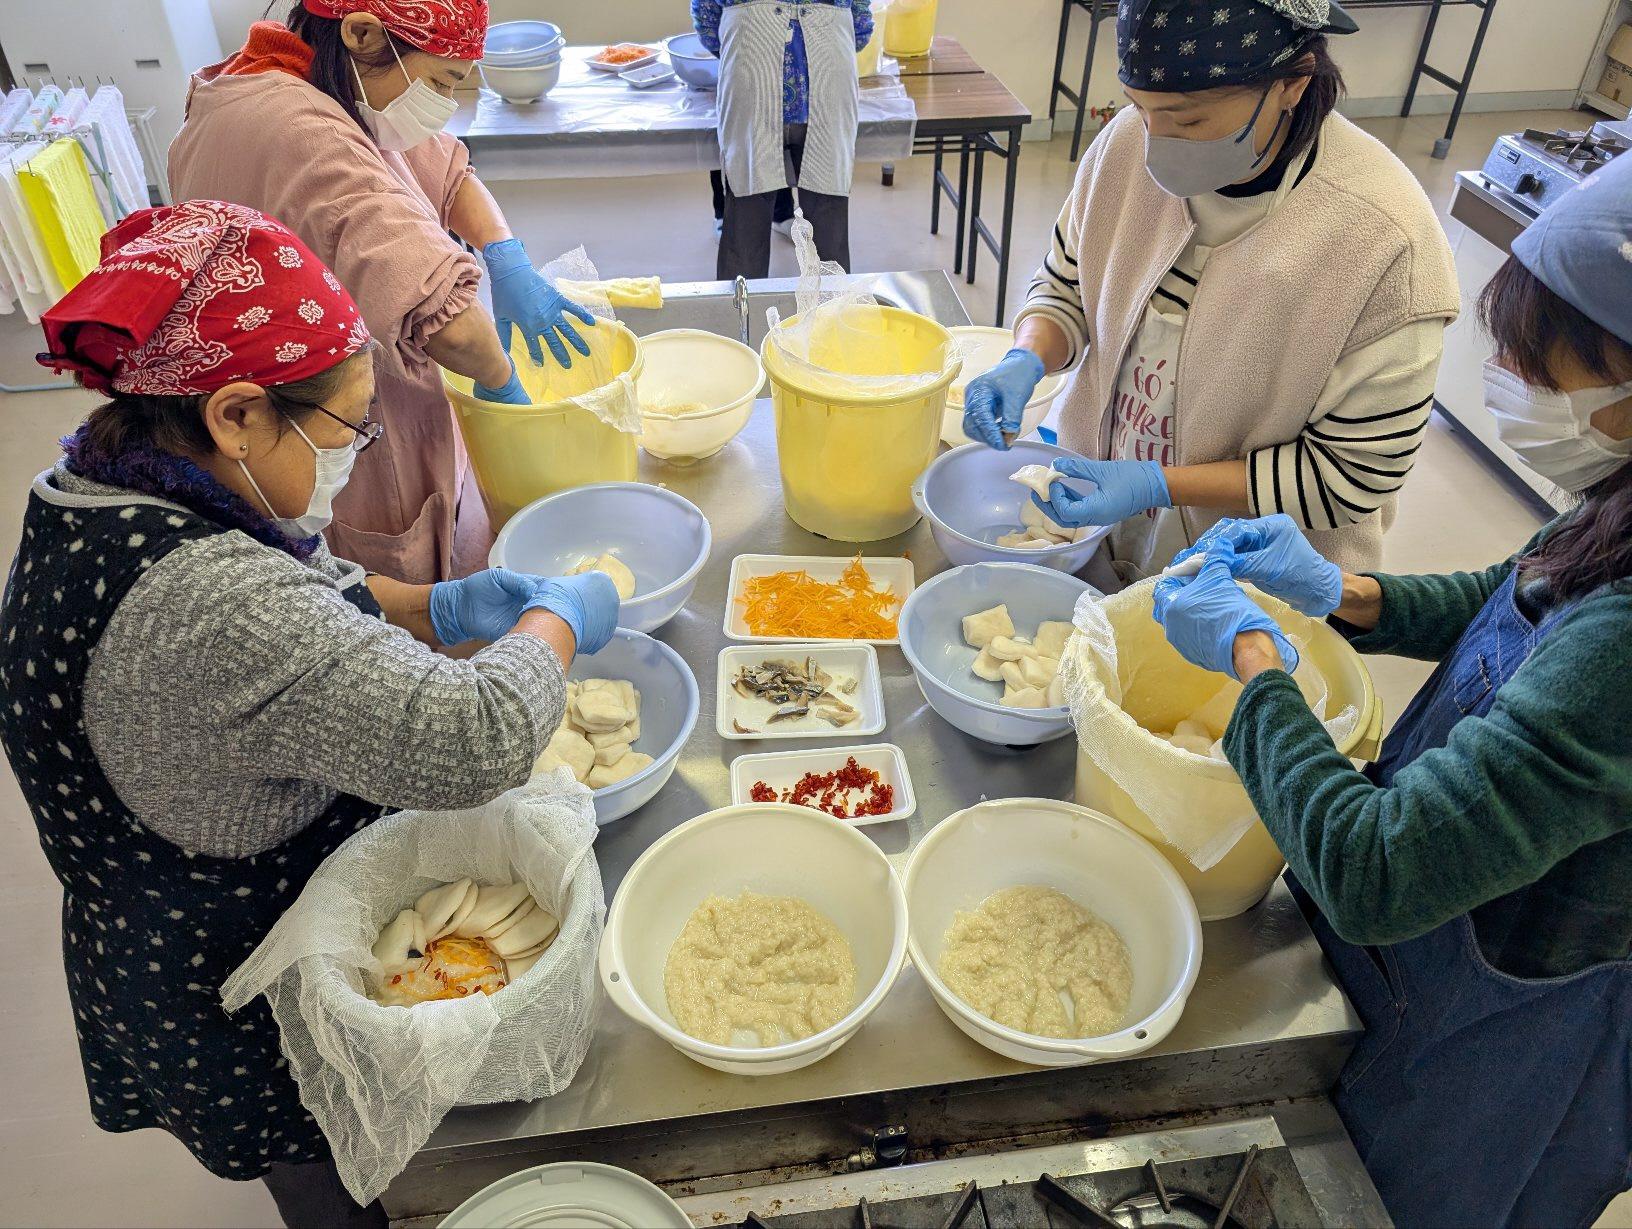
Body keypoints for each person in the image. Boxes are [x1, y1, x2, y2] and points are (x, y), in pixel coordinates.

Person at [3, 201, 619, 1229]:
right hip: (232, 974)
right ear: (235, 415)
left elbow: (295, 598)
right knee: (343, 1183)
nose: (354, 451)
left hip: (161, 906)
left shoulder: (98, 481)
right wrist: (560, 614)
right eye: (346, 427)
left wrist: (434, 606)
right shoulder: (211, 608)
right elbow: (465, 739)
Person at [1147, 154, 1632, 1228]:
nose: (1504, 370)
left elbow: (1378, 867)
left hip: (1504, 1013)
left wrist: (1255, 662)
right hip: (1432, 934)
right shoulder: (1616, 500)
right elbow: (1521, 593)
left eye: (1544, 362)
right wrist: (1344, 592)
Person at [962, 0, 1458, 588]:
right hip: (1095, 529)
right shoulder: (1122, 150)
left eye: (1189, 121)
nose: (1154, 144)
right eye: (1140, 110)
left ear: (1292, 82)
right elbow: (1067, 285)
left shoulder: (1384, 242)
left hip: (1251, 579)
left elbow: (1347, 477)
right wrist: (1029, 354)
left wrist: (1157, 483)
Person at [170, 0, 596, 585]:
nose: (445, 105)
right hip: (336, 431)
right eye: (441, 81)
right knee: (388, 578)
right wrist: (503, 384)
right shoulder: (307, 136)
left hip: (269, 415)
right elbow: (454, 326)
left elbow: (446, 173)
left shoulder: (283, 78)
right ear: (363, 32)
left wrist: (504, 253)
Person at [693, 0, 872, 280]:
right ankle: (833, 317)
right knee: (829, 220)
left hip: (750, 68)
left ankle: (740, 319)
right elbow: (860, 27)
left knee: (746, 215)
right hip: (828, 74)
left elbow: (707, 23)